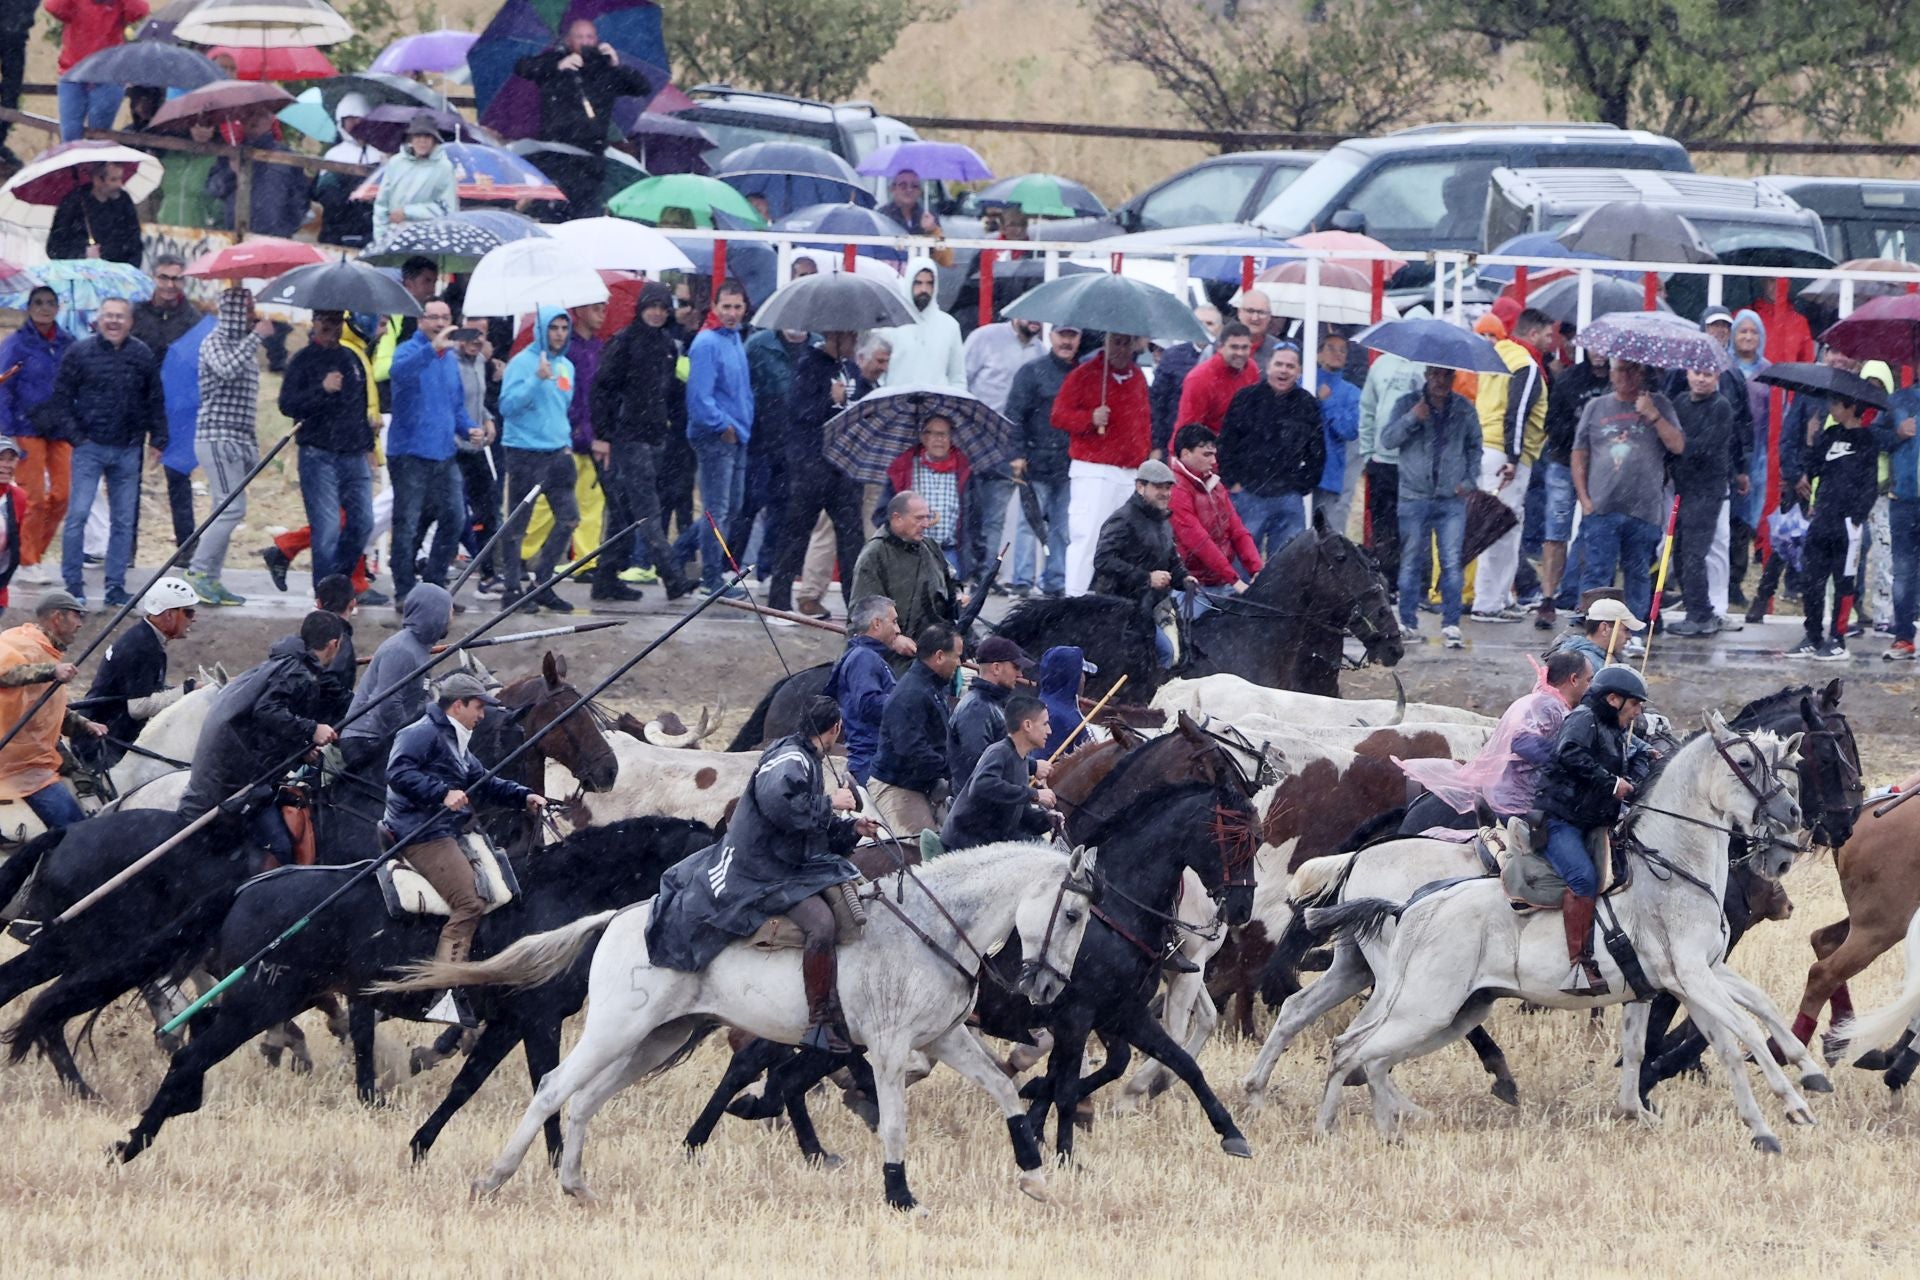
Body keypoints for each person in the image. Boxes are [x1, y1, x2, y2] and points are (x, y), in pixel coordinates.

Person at [645, 695, 874, 1053]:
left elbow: (805, 825)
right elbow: (780, 807)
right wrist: (832, 803)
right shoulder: (791, 759)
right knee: (822, 924)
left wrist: (853, 828)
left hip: (780, 861)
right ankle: (818, 1023)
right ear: (836, 729)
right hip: (760, 869)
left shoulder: (802, 755)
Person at [384, 672, 546, 976]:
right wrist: (442, 793)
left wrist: (524, 796)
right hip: (421, 833)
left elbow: (483, 780)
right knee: (469, 904)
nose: (483, 715)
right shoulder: (421, 733)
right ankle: (444, 988)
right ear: (458, 705)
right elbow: (397, 773)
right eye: (479, 707)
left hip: (444, 829)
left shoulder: (453, 738)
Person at [179, 610, 348, 860]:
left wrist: (297, 753)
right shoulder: (298, 672)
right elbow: (267, 710)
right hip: (232, 780)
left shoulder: (287, 663)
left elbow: (266, 731)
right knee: (280, 848)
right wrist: (312, 729)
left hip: (228, 768)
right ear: (334, 645)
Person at [1535, 663, 1655, 997]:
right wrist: (1611, 782)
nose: (1638, 712)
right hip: (1559, 821)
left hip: (1588, 822)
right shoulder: (1583, 719)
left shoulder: (1612, 728)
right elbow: (1569, 752)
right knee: (1583, 879)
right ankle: (1577, 964)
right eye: (1635, 704)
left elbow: (1627, 768)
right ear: (1614, 699)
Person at [52, 297, 164, 607]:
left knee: (124, 521)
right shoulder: (80, 352)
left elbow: (155, 398)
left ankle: (115, 586)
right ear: (98, 320)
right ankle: (73, 585)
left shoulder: (142, 354)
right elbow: (61, 399)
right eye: (108, 316)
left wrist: (159, 437)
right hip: (90, 448)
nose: (113, 322)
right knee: (78, 517)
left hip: (128, 449)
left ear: (130, 322)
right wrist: (77, 437)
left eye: (120, 317)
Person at [589, 282, 695, 602]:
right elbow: (601, 390)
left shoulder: (667, 345)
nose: (657, 313)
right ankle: (672, 576)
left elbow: (668, 392)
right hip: (626, 437)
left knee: (623, 511)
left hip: (655, 438)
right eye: (652, 306)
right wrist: (603, 435)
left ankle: (605, 577)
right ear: (641, 308)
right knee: (648, 509)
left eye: (663, 308)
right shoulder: (623, 342)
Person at [1399, 650, 1590, 827]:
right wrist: (1570, 761)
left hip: (1505, 788)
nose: (1591, 687)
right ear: (1573, 680)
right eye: (1589, 681)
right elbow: (1523, 742)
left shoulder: (1542, 700)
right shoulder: (1548, 705)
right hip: (1516, 803)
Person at [766, 329, 875, 617]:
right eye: (851, 338)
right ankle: (778, 602)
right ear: (835, 337)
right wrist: (829, 400)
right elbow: (799, 412)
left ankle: (857, 608)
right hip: (811, 466)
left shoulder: (850, 368)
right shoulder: (809, 365)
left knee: (852, 541)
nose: (855, 344)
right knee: (796, 535)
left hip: (845, 468)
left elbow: (861, 405)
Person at [1571, 358, 1684, 627]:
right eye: (1620, 369)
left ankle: (1634, 631)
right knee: (1598, 573)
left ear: (1643, 373)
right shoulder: (1596, 407)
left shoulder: (1660, 404)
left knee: (1638, 573)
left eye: (1633, 370)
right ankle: (1593, 629)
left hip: (1644, 509)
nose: (1626, 376)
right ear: (1611, 373)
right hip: (1602, 507)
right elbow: (1579, 453)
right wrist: (1584, 499)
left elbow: (1678, 445)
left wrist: (1653, 414)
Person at [275, 310, 376, 592]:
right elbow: (287, 404)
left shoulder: (351, 358)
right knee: (327, 529)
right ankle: (324, 593)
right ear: (315, 322)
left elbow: (360, 405)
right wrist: (322, 389)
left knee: (363, 523)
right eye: (327, 321)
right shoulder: (303, 360)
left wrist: (368, 445)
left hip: (354, 452)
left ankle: (338, 583)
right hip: (319, 453)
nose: (332, 328)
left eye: (338, 322)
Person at [184, 288, 274, 608]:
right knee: (230, 508)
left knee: (223, 509)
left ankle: (212, 576)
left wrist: (252, 448)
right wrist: (256, 338)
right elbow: (225, 369)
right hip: (216, 436)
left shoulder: (245, 348)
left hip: (238, 440)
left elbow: (246, 403)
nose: (254, 315)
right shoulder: (215, 341)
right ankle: (197, 573)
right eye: (248, 309)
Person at [1382, 364, 1481, 648]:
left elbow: (1475, 446)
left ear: (1453, 377)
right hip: (1414, 496)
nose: (1440, 380)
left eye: (1446, 374)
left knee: (1452, 562)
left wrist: (1469, 480)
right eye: (1435, 374)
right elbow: (1387, 440)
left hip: (1451, 499)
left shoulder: (1464, 408)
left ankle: (1451, 623)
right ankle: (1407, 622)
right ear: (1426, 375)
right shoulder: (1406, 403)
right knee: (1411, 560)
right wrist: (1413, 417)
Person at [388, 298, 477, 607]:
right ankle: (403, 590)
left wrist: (470, 429)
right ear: (419, 321)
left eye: (445, 317)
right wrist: (433, 349)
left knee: (455, 517)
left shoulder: (450, 359)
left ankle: (434, 589)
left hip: (444, 453)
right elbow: (398, 373)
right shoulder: (410, 351)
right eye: (433, 318)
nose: (440, 323)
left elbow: (455, 407)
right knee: (407, 523)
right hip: (409, 453)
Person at [512, 18, 652, 213]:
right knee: (552, 213)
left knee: (586, 214)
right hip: (555, 156)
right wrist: (558, 66)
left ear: (596, 40)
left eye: (589, 37)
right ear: (569, 40)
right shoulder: (555, 61)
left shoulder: (605, 70)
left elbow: (643, 87)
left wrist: (616, 64)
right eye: (579, 36)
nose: (585, 41)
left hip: (590, 161)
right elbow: (523, 67)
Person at [1471, 307, 1554, 622]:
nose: (1551, 342)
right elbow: (1516, 412)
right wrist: (1513, 456)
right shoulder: (1526, 363)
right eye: (1547, 335)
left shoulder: (1497, 357)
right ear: (1531, 334)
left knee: (1499, 526)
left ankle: (1501, 596)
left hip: (1488, 447)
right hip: (1506, 455)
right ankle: (1489, 602)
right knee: (1500, 528)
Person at [1053, 330, 1150, 596]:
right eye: (1116, 342)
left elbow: (1143, 422)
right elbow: (1059, 415)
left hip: (1129, 471)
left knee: (1124, 541)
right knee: (1089, 538)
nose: (1121, 348)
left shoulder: (1138, 377)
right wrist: (1089, 419)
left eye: (1126, 342)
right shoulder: (1083, 374)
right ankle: (1075, 596)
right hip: (1095, 469)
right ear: (1106, 343)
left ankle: (1114, 598)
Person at [0, 591, 106, 828]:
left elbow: (46, 707)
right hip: (16, 763)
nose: (80, 624)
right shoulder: (19, 642)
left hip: (42, 752)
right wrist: (50, 671)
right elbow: (7, 674)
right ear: (58, 617)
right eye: (77, 617)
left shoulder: (47, 651)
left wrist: (83, 724)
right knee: (75, 828)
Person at [71, 574, 196, 772]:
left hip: (105, 736)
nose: (193, 618)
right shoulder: (143, 648)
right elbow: (138, 707)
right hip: (101, 745)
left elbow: (143, 690)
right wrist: (188, 691)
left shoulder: (144, 639)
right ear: (169, 614)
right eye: (188, 612)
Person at [1791, 389, 1882, 660]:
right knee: (1812, 580)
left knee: (1844, 583)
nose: (1831, 408)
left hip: (1848, 524)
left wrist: (1857, 517)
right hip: (1823, 519)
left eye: (1835, 403)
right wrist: (1810, 438)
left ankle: (1838, 638)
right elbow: (1814, 466)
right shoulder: (1830, 435)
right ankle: (1813, 634)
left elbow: (1870, 484)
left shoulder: (1867, 440)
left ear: (1852, 406)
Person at [498, 306, 578, 613]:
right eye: (554, 328)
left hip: (558, 452)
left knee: (569, 518)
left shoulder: (566, 366)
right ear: (542, 330)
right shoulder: (522, 363)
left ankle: (542, 583)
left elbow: (561, 408)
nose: (559, 334)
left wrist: (566, 443)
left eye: (563, 328)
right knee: (518, 523)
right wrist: (535, 380)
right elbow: (507, 405)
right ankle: (511, 590)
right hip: (524, 453)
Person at [679, 281, 753, 597]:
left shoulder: (733, 338)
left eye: (737, 307)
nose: (732, 313)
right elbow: (699, 398)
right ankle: (711, 579)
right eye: (727, 307)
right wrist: (723, 424)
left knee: (728, 508)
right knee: (717, 510)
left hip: (735, 435)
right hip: (717, 437)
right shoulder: (707, 343)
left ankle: (675, 555)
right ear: (714, 306)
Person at [340, 583, 451, 788]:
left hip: (382, 737)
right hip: (365, 739)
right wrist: (412, 742)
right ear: (434, 616)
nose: (450, 619)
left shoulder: (419, 649)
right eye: (448, 613)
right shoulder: (402, 650)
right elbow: (388, 705)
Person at [0, 288, 77, 583]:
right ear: (28, 307)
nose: (44, 308)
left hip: (59, 428)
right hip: (26, 428)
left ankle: (33, 552)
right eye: (38, 303)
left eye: (50, 303)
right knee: (32, 498)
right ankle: (27, 560)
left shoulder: (68, 343)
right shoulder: (16, 344)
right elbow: (4, 387)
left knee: (62, 495)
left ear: (58, 307)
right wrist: (9, 431)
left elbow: (76, 383)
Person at [962, 314, 1044, 589]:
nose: (1036, 321)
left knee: (996, 513)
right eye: (1033, 315)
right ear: (1015, 313)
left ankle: (985, 576)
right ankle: (961, 571)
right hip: (974, 438)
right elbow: (961, 381)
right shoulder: (983, 337)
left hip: (1010, 443)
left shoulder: (1041, 351)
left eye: (1041, 318)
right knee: (966, 508)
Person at [1219, 344, 1324, 557]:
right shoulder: (1245, 399)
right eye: (1279, 364)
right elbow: (1226, 444)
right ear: (1267, 367)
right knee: (1242, 563)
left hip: (1289, 497)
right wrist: (1233, 482)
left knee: (1289, 564)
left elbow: (1318, 452)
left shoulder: (1307, 404)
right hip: (1248, 494)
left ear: (1299, 371)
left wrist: (1303, 486)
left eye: (1290, 366)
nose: (1283, 370)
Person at [1093, 459, 1196, 668]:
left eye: (1168, 488)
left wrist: (1184, 578)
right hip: (1122, 610)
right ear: (1140, 487)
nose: (1166, 493)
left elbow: (1171, 561)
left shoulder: (1163, 521)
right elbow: (1102, 560)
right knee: (1166, 653)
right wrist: (1146, 578)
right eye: (1159, 487)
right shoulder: (1123, 519)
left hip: (1153, 607)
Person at [1537, 344, 1610, 628]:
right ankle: (1547, 598)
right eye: (1594, 347)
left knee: (1596, 531)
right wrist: (1582, 437)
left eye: (1605, 348)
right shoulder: (1569, 380)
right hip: (1563, 463)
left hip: (1603, 468)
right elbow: (1551, 425)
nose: (1600, 353)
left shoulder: (1619, 382)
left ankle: (1585, 599)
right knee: (1556, 532)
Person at [869, 622, 964, 836]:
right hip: (897, 786)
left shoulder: (934, 687)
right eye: (956, 656)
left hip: (926, 782)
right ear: (939, 656)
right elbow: (911, 750)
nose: (959, 663)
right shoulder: (911, 694)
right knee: (926, 852)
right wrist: (952, 768)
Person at [850, 491, 960, 674]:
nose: (926, 524)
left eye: (927, 518)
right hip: (889, 661)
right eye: (919, 518)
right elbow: (863, 612)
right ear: (897, 518)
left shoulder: (930, 548)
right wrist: (894, 639)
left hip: (932, 656)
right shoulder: (874, 555)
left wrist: (958, 596)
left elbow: (950, 584)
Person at [1003, 324, 1077, 597]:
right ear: (1051, 336)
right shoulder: (1031, 372)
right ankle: (1022, 580)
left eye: (1073, 336)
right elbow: (1015, 414)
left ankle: (1056, 580)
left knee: (1062, 527)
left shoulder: (1081, 375)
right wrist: (1017, 454)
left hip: (1069, 464)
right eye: (1062, 335)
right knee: (1028, 524)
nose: (1067, 341)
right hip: (1034, 461)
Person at [1666, 365, 1738, 638]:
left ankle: (1701, 615)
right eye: (1696, 372)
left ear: (1717, 378)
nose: (1701, 378)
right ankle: (1696, 610)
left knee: (1695, 555)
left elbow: (1703, 447)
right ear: (1687, 374)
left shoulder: (1721, 406)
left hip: (1707, 490)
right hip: (1683, 487)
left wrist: (1679, 445)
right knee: (1681, 553)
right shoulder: (1681, 401)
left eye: (1708, 374)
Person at [941, 693, 1057, 852]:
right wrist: (1034, 795)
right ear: (1028, 725)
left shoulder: (1021, 759)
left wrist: (1047, 820)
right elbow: (982, 785)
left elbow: (1017, 814)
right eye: (1045, 724)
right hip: (965, 844)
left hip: (991, 841)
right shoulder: (998, 752)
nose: (1050, 731)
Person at [1169, 424, 1261, 595]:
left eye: (1213, 455)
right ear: (1185, 454)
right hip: (1192, 587)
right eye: (1206, 455)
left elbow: (1238, 532)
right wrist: (1234, 579)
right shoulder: (1176, 489)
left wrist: (1257, 570)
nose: (1214, 461)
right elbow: (1199, 542)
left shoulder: (1215, 485)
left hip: (1221, 582)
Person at [1356, 350, 1422, 587]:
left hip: (1414, 464)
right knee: (1383, 526)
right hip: (1381, 461)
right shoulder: (1381, 364)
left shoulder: (1430, 367)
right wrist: (1367, 452)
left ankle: (1413, 583)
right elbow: (1367, 409)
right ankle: (1388, 581)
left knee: (1414, 527)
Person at [824, 595, 902, 786]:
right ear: (876, 623)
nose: (898, 629)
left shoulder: (867, 656)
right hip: (871, 764)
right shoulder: (864, 658)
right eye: (894, 622)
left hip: (874, 761)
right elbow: (868, 705)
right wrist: (908, 701)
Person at [206, 106, 312, 238]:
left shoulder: (287, 158)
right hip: (233, 236)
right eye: (249, 113)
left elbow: (300, 201)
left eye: (261, 114)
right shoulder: (230, 154)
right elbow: (214, 190)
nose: (254, 119)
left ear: (271, 119)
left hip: (274, 240)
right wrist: (231, 172)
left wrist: (283, 229)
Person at [881, 415, 970, 571]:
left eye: (943, 434)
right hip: (911, 551)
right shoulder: (904, 468)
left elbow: (975, 517)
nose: (938, 439)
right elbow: (884, 513)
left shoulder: (963, 469)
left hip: (950, 552)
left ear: (951, 437)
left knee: (951, 594)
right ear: (922, 437)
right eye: (931, 433)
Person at [48, 0, 145, 141]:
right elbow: (53, 6)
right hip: (74, 72)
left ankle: (95, 163)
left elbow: (139, 10)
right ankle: (73, 163)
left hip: (108, 75)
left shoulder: (117, 4)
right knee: (70, 134)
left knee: (99, 136)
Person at [947, 635, 1034, 792]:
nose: (1020, 674)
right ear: (996, 668)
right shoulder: (976, 708)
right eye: (1016, 667)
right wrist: (1032, 768)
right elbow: (982, 767)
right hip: (975, 810)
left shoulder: (992, 704)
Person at [313, 94, 386, 249]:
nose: (355, 123)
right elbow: (327, 194)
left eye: (359, 118)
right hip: (337, 230)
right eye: (350, 119)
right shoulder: (334, 154)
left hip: (370, 230)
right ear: (342, 122)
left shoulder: (380, 153)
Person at [881, 257, 965, 389]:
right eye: (918, 283)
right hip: (897, 404)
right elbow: (878, 375)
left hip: (937, 406)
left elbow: (957, 377)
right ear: (909, 283)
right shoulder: (889, 324)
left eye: (929, 283)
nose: (924, 289)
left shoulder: (949, 326)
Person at [371, 114, 457, 237]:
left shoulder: (444, 168)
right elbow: (381, 205)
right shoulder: (395, 163)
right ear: (410, 138)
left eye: (427, 136)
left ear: (434, 140)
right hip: (394, 236)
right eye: (418, 135)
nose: (422, 140)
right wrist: (380, 238)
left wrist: (408, 212)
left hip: (429, 236)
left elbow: (447, 209)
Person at [1149, 304, 1220, 454]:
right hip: (1174, 440)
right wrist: (1156, 445)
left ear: (1220, 329)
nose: (1204, 327)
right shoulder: (1172, 356)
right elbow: (1158, 403)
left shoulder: (1224, 359)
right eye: (1199, 322)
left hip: (1213, 442)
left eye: (1210, 323)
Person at [1885, 377, 1920, 661]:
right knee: (1904, 572)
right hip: (1904, 500)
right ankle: (1904, 636)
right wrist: (1897, 432)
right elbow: (1875, 437)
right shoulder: (1898, 400)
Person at [46, 162, 142, 264]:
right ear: (97, 180)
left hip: (118, 271)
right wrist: (84, 252)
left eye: (120, 178)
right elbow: (54, 248)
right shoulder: (73, 203)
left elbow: (134, 241)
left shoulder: (124, 201)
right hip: (81, 272)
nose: (120, 184)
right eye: (113, 179)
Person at [1313, 332, 1363, 530]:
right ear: (1318, 354)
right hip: (1301, 474)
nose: (1337, 354)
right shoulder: (1304, 382)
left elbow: (1349, 430)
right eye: (1331, 348)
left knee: (1329, 534)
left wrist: (1328, 402)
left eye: (1342, 350)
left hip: (1331, 473)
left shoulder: (1352, 393)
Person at [1174, 321, 1258, 434]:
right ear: (1220, 347)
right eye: (1234, 347)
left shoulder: (1251, 369)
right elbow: (1188, 428)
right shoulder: (1200, 379)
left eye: (1245, 347)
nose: (1240, 353)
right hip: (1207, 446)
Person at [1547, 589, 1644, 674]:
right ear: (1604, 628)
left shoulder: (1580, 651)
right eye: (1626, 630)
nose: (1630, 636)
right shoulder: (1587, 665)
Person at [131, 257, 198, 364]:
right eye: (163, 278)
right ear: (153, 278)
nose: (170, 285)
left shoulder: (194, 320)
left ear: (184, 282)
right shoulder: (134, 314)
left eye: (176, 279)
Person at [878, 170, 940, 235]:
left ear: (920, 191)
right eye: (903, 185)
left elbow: (942, 243)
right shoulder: (882, 215)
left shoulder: (928, 214)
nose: (909, 190)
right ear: (893, 189)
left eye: (914, 186)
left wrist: (933, 229)